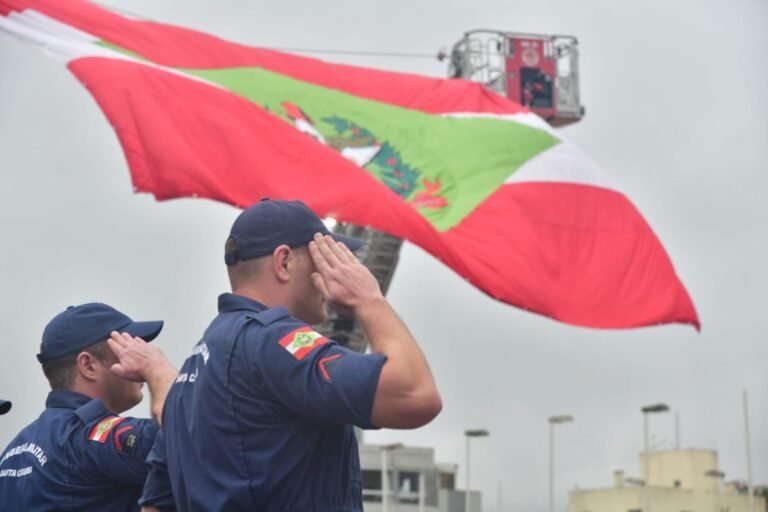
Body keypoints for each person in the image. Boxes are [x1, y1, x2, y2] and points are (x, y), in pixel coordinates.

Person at [141, 199, 442, 511]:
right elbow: (415, 394)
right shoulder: (272, 341)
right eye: (323, 257)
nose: (334, 270)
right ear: (283, 262)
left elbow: (155, 505)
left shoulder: (190, 374)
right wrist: (369, 299)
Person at [0, 303, 177, 512]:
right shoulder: (85, 437)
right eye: (125, 349)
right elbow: (181, 438)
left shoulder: (12, 453)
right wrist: (158, 370)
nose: (140, 355)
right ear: (88, 365)